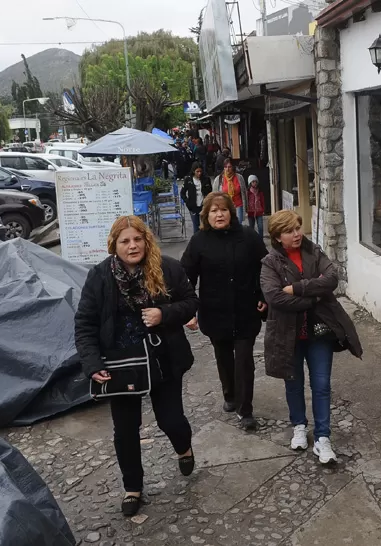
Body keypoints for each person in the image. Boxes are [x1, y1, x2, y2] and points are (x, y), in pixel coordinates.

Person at [74, 215, 199, 517]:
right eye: (125, 241)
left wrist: (164, 314)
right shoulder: (100, 276)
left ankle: (184, 447)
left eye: (137, 239)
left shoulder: (167, 267)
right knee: (125, 430)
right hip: (121, 363)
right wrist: (92, 363)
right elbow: (85, 322)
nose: (132, 246)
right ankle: (133, 487)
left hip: (162, 357)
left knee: (171, 421)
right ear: (114, 245)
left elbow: (190, 302)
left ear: (146, 240)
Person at [260, 210, 362, 465]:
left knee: (321, 385)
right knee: (293, 384)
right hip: (288, 334)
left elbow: (331, 279)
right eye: (289, 231)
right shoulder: (270, 263)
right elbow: (275, 297)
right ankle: (299, 425)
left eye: (298, 228)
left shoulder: (314, 251)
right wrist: (314, 297)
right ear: (277, 236)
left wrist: (298, 288)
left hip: (319, 332)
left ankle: (323, 438)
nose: (296, 234)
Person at [180, 192, 268, 431]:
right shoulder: (199, 242)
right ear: (206, 216)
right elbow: (185, 277)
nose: (219, 215)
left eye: (223, 210)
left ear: (231, 212)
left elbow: (266, 268)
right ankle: (230, 394)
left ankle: (245, 409)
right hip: (214, 310)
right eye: (213, 211)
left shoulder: (249, 237)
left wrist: (263, 295)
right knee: (224, 357)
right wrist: (188, 309)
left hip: (245, 310)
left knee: (244, 360)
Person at [180, 163, 211, 233]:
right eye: (197, 171)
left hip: (204, 206)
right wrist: (187, 201)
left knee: (206, 225)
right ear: (194, 171)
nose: (199, 173)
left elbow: (210, 191)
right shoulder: (188, 180)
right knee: (196, 227)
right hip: (193, 206)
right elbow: (182, 193)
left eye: (200, 171)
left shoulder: (206, 179)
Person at [215, 159, 246, 225]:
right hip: (225, 205)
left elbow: (244, 192)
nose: (227, 169)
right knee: (227, 224)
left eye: (229, 167)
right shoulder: (219, 179)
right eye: (225, 167)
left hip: (238, 204)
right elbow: (214, 194)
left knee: (238, 224)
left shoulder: (239, 177)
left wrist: (246, 206)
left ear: (233, 167)